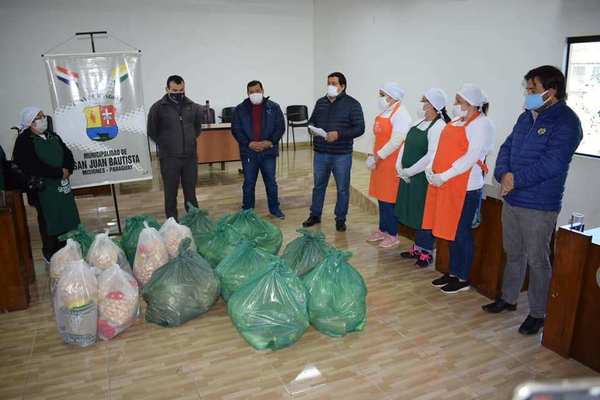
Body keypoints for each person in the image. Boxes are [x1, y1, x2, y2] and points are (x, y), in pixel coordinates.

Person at [482, 66, 583, 335]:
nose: (527, 94)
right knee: (514, 252)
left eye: (532, 89)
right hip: (513, 198)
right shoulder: (526, 117)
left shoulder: (566, 123)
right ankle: (509, 298)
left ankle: (538, 313)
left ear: (550, 92)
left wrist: (516, 179)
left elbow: (553, 164)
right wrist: (503, 174)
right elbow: (506, 147)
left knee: (538, 260)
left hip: (539, 204)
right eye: (527, 88)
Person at [424, 84, 495, 293]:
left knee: (461, 232)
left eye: (459, 102)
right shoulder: (456, 121)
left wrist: (444, 175)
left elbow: (471, 156)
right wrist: (431, 169)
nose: (455, 106)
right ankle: (452, 272)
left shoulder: (482, 125)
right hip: (446, 184)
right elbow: (438, 148)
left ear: (472, 104)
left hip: (466, 186)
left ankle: (462, 277)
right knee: (449, 230)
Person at [13, 107, 80, 262]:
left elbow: (67, 154)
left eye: (43, 116)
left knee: (66, 216)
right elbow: (31, 165)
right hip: (43, 189)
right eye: (38, 117)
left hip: (61, 186)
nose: (43, 120)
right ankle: (51, 251)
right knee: (50, 219)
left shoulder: (52, 136)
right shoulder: (24, 141)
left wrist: (68, 168)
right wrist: (58, 172)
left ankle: (69, 247)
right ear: (30, 122)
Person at [302, 72, 365, 232]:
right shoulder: (321, 102)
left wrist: (339, 134)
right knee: (318, 186)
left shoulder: (353, 104)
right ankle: (315, 215)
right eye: (328, 83)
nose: (330, 86)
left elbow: (359, 128)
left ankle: (340, 219)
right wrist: (312, 130)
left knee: (342, 188)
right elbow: (311, 122)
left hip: (341, 154)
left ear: (342, 86)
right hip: (321, 153)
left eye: (334, 83)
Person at [395, 88, 451, 267]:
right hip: (408, 175)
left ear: (434, 105)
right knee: (414, 212)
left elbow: (431, 156)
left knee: (424, 214)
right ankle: (418, 247)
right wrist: (399, 166)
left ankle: (426, 250)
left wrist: (410, 171)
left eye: (425, 101)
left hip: (422, 178)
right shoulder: (418, 122)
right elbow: (406, 143)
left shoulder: (439, 126)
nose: (422, 104)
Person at [147, 75, 203, 220]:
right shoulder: (157, 108)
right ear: (167, 89)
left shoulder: (193, 106)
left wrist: (188, 141)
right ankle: (172, 223)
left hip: (189, 157)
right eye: (174, 90)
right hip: (169, 158)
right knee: (170, 193)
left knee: (190, 192)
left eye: (181, 90)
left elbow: (197, 128)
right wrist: (167, 144)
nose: (178, 93)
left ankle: (194, 220)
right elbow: (152, 131)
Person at [366, 82, 411, 248]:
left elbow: (396, 141)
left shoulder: (401, 114)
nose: (381, 98)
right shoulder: (384, 112)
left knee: (389, 199)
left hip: (391, 162)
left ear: (392, 97)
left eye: (383, 95)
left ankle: (393, 234)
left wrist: (378, 156)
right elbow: (375, 136)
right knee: (380, 197)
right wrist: (371, 154)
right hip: (379, 161)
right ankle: (382, 229)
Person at [231, 80, 285, 219]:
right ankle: (247, 212)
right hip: (249, 151)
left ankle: (274, 209)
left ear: (263, 91)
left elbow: (280, 127)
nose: (255, 94)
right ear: (247, 93)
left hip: (268, 151)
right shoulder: (240, 109)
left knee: (271, 182)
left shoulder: (274, 107)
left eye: (257, 91)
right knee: (249, 183)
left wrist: (270, 142)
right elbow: (236, 130)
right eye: (251, 92)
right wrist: (249, 143)